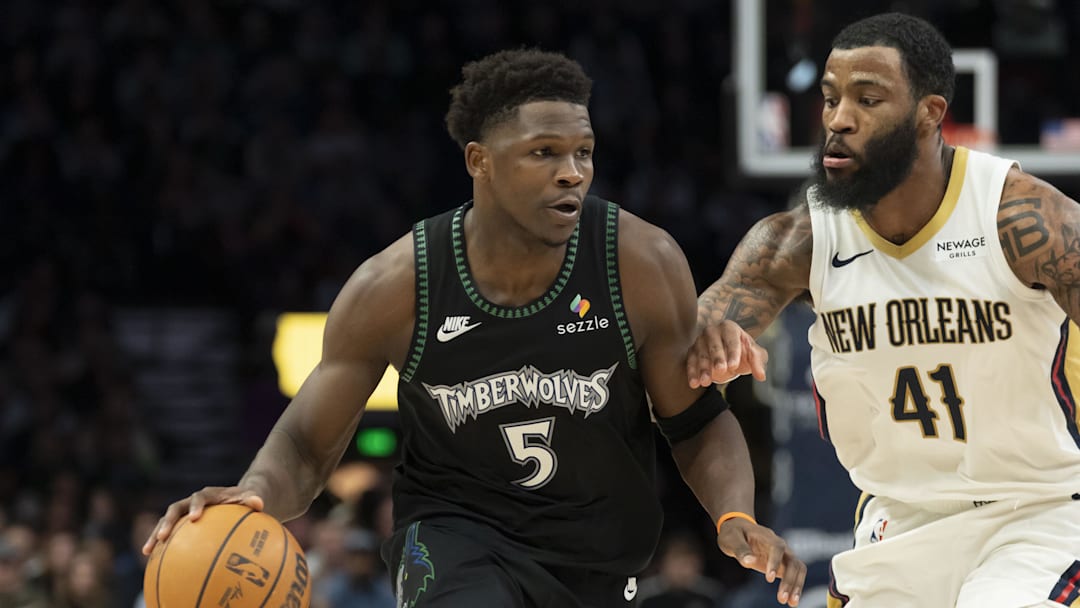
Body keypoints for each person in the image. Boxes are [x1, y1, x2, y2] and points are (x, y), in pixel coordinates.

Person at [143, 48, 805, 607]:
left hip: (601, 559)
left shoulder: (638, 262)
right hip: (453, 537)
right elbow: (306, 445)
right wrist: (254, 493)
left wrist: (733, 515)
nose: (571, 171)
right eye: (543, 152)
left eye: (583, 151)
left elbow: (695, 421)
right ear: (479, 161)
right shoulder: (397, 285)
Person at [687, 12, 1080, 608]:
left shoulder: (1024, 220)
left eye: (868, 99)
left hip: (1036, 513)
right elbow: (681, 360)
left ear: (930, 112)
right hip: (896, 522)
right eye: (830, 98)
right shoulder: (796, 242)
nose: (839, 119)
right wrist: (708, 347)